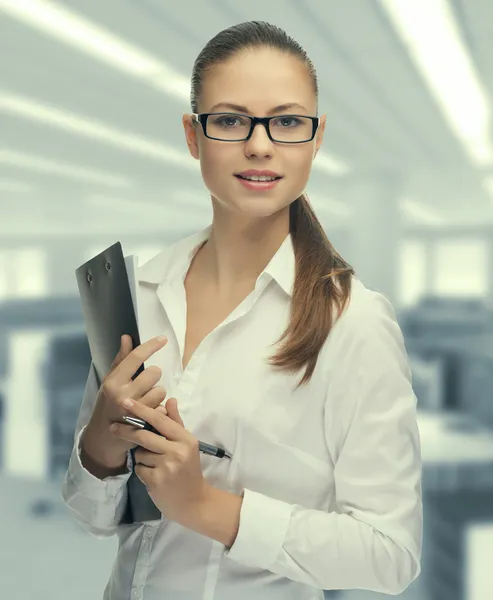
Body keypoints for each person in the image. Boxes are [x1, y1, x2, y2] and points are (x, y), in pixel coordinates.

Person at [61, 20, 422, 600]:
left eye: (286, 121)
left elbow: (389, 555)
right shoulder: (142, 293)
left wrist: (207, 507)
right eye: (230, 120)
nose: (260, 145)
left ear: (316, 137)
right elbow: (94, 517)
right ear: (192, 134)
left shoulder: (352, 323)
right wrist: (100, 452)